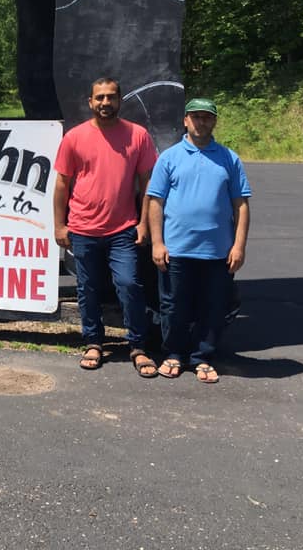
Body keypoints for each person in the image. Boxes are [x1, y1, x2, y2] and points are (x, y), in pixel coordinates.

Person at [53, 77, 159, 376]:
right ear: (90, 102)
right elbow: (62, 183)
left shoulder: (137, 136)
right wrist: (59, 225)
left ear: (119, 100)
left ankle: (137, 345)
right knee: (88, 288)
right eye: (99, 98)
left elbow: (148, 182)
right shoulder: (74, 138)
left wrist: (143, 223)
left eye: (110, 97)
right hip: (83, 229)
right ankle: (93, 342)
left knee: (129, 284)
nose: (105, 103)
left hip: (123, 229)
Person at [147, 98, 251, 383]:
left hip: (218, 251)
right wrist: (157, 242)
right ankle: (174, 354)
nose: (201, 122)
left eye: (207, 117)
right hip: (177, 249)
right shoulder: (169, 158)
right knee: (173, 306)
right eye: (196, 117)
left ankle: (202, 358)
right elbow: (155, 201)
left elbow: (240, 204)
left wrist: (239, 245)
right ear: (185, 121)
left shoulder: (229, 158)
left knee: (214, 306)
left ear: (214, 121)